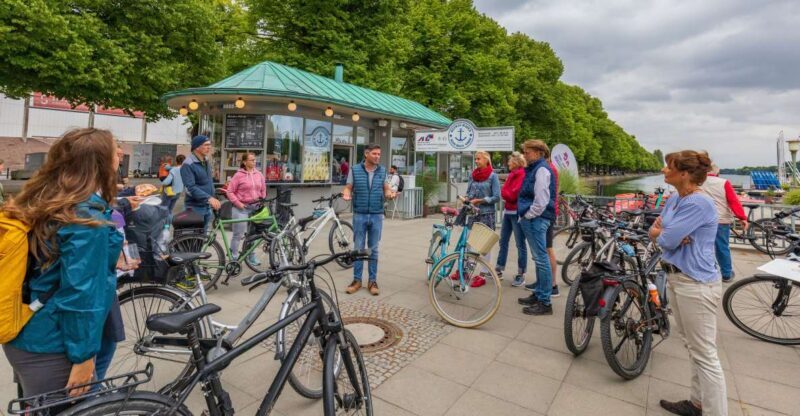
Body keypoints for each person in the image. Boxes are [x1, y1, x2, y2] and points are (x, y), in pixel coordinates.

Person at [1, 128, 125, 400]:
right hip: (54, 343)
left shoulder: (43, 198)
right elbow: (81, 294)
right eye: (115, 150)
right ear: (100, 162)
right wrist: (83, 357)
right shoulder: (84, 219)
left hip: (26, 330)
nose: (121, 154)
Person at [650, 151, 726, 416]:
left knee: (705, 354)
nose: (663, 170)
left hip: (696, 283)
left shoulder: (698, 203)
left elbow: (666, 239)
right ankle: (697, 403)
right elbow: (656, 231)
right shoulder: (675, 198)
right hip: (677, 278)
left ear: (683, 173)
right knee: (693, 346)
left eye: (668, 166)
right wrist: (663, 233)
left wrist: (664, 234)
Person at [342, 144, 395, 296]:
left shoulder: (382, 171)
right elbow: (348, 187)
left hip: (377, 214)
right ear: (366, 154)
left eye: (379, 154)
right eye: (374, 154)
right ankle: (357, 280)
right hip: (360, 214)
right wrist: (346, 193)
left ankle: (372, 281)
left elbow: (386, 188)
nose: (378, 156)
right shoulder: (354, 170)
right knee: (358, 248)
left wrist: (389, 193)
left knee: (374, 249)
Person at [517, 140, 556, 316]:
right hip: (536, 218)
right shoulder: (537, 168)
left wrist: (528, 215)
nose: (524, 155)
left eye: (527, 152)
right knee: (539, 258)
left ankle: (545, 302)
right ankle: (540, 294)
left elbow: (541, 201)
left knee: (541, 259)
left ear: (539, 152)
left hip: (536, 219)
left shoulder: (541, 170)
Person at [701, 162, 748, 283]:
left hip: (701, 220)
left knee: (703, 247)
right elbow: (733, 201)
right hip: (720, 220)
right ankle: (726, 274)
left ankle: (707, 271)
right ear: (717, 172)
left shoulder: (697, 182)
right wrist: (742, 217)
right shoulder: (723, 182)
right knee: (722, 247)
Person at [464, 150, 501, 287]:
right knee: (468, 241)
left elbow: (497, 197)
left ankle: (483, 274)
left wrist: (480, 200)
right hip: (472, 213)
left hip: (486, 213)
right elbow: (469, 192)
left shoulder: (493, 176)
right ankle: (466, 270)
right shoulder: (473, 175)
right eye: (475, 159)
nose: (476, 161)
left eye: (479, 159)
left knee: (485, 245)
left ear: (486, 160)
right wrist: (466, 198)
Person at [226, 152, 267, 264]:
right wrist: (239, 204)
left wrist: (261, 199)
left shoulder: (259, 174)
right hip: (241, 209)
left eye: (255, 159)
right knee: (238, 234)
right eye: (252, 160)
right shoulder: (238, 175)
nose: (254, 162)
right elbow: (230, 191)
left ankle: (250, 256)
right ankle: (234, 257)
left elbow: (263, 189)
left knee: (252, 235)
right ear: (244, 162)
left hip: (255, 209)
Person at [495, 152, 527, 287]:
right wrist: (506, 192)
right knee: (503, 241)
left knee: (520, 244)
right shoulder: (511, 175)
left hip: (517, 213)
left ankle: (521, 274)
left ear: (516, 162)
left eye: (510, 161)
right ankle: (499, 268)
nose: (508, 163)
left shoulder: (522, 175)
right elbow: (505, 192)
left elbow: (513, 195)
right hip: (508, 212)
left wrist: (506, 192)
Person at [181, 135, 221, 231]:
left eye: (209, 145)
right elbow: (190, 188)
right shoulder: (188, 164)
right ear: (197, 147)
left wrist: (213, 197)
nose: (209, 147)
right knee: (193, 236)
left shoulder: (205, 160)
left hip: (206, 206)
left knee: (203, 236)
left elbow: (208, 182)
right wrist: (209, 198)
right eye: (206, 145)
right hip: (195, 208)